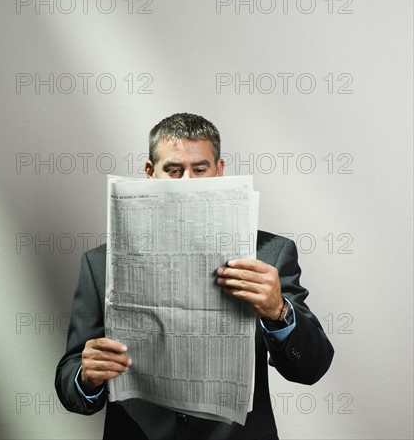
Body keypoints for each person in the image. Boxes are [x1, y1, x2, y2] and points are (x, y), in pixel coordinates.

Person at [55, 113, 334, 440]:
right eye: (174, 170)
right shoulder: (100, 263)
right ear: (150, 173)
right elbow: (70, 385)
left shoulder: (270, 254)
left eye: (200, 169)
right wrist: (86, 377)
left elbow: (312, 367)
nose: (187, 183)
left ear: (219, 171)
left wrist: (278, 311)